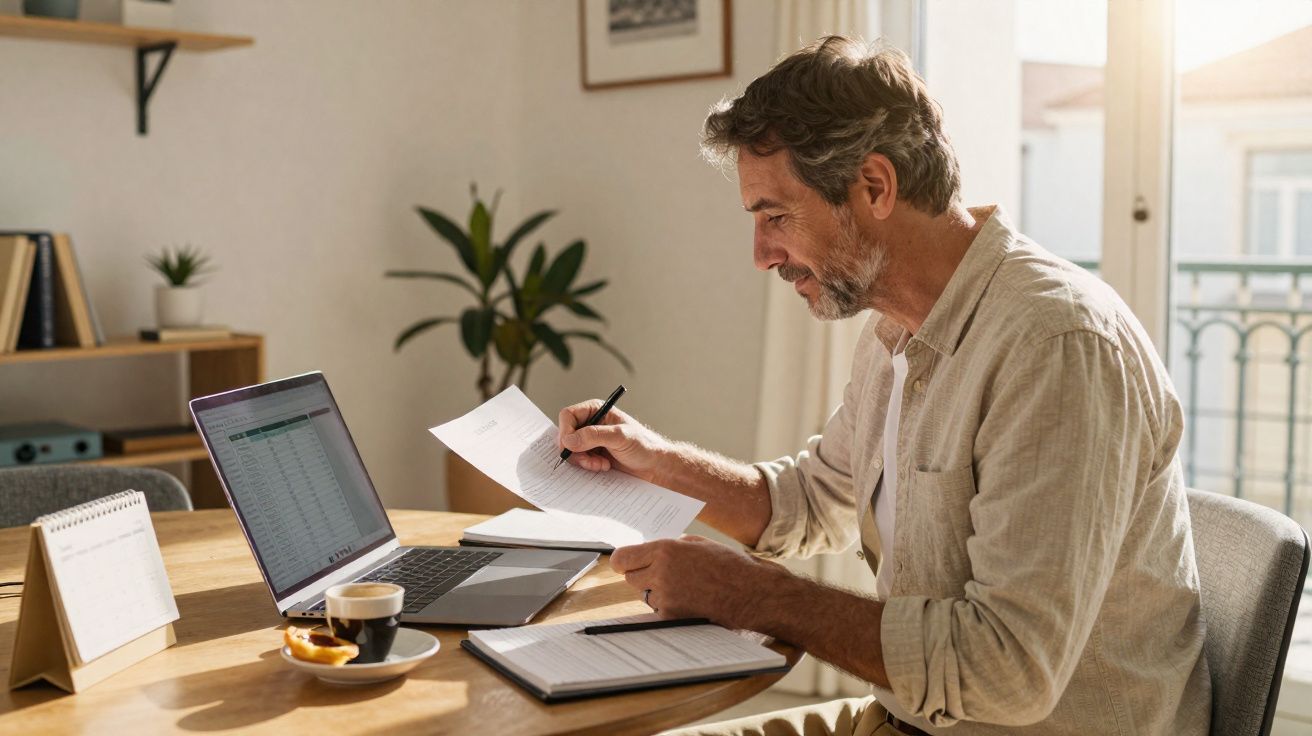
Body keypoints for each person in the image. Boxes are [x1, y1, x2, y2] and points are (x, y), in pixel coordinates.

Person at [556, 36, 1210, 736]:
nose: (762, 255)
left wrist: (757, 597)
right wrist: (654, 461)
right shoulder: (897, 328)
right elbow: (808, 503)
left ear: (874, 186)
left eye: (776, 216)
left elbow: (1006, 672)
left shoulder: (1055, 347)